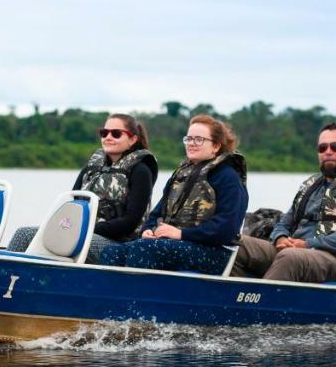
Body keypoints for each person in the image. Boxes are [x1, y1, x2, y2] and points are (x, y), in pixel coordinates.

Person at [231, 123, 336, 284]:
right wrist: (280, 238)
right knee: (235, 243)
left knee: (290, 257)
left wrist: (308, 244)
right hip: (294, 251)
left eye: (335, 147)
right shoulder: (311, 185)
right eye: (322, 148)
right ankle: (234, 301)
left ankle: (260, 305)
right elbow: (284, 222)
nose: (328, 152)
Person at [100, 114, 248, 275]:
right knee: (112, 252)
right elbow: (156, 213)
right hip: (175, 244)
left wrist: (181, 234)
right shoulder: (182, 174)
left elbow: (226, 229)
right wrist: (148, 230)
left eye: (199, 139)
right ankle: (112, 299)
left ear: (216, 146)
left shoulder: (228, 177)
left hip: (214, 252)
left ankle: (136, 299)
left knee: (145, 249)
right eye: (189, 139)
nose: (191, 144)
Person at [7, 113, 157, 262]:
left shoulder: (141, 171)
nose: (108, 137)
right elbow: (71, 205)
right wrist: (66, 228)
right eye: (104, 133)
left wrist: (84, 229)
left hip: (119, 243)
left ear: (132, 139)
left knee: (70, 242)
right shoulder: (91, 168)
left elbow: (130, 222)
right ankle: (0, 277)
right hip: (79, 232)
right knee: (24, 234)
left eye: (116, 134)